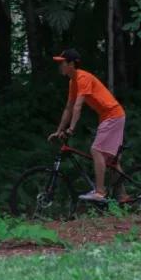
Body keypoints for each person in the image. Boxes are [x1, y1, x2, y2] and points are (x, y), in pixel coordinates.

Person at [47, 48, 126, 202]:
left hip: (113, 115)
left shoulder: (83, 77)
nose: (60, 66)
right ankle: (123, 196)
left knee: (96, 150)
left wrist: (71, 129)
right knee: (112, 160)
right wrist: (59, 131)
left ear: (71, 64)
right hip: (109, 117)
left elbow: (78, 106)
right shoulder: (73, 82)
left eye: (62, 63)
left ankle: (100, 192)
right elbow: (69, 108)